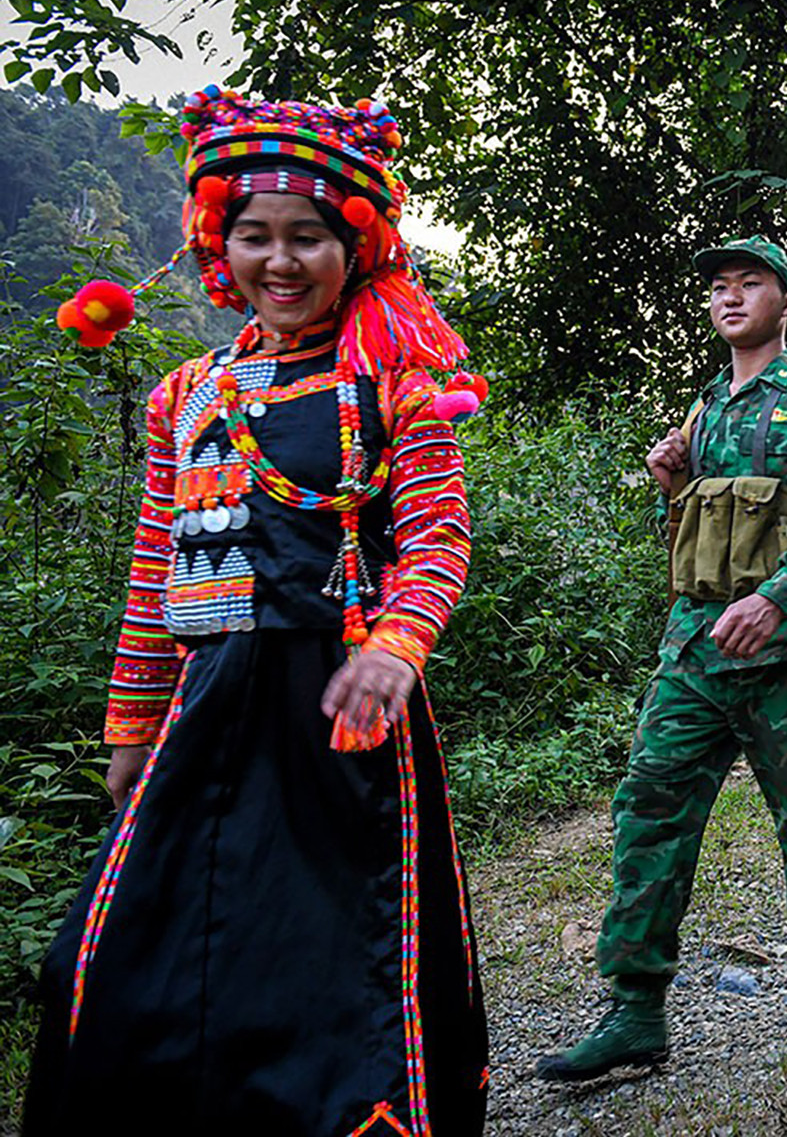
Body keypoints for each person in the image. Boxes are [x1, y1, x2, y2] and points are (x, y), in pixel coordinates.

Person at [26, 89, 488, 1134]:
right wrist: (132, 731)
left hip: (343, 717)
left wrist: (398, 650)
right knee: (112, 953)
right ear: (217, 244)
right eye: (255, 236)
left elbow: (438, 538)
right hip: (205, 708)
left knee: (330, 964)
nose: (281, 262)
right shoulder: (183, 394)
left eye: (308, 237)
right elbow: (154, 575)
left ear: (354, 244)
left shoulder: (391, 385)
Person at [538, 235, 787, 1079]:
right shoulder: (704, 410)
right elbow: (685, 539)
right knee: (650, 804)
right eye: (719, 287)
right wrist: (668, 487)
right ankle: (636, 1009)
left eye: (749, 283)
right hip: (694, 647)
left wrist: (779, 598)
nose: (730, 297)